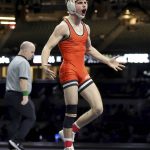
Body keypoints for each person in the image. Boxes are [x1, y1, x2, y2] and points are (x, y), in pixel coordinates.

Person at [41, 0, 125, 149]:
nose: (84, 6)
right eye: (80, 2)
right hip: (68, 71)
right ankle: (68, 146)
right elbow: (47, 47)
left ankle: (68, 131)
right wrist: (44, 63)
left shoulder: (86, 28)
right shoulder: (63, 26)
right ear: (71, 6)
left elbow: (90, 49)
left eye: (85, 2)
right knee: (72, 109)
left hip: (81, 71)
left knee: (98, 109)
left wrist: (107, 61)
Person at [4, 41, 36, 150]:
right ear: (24, 50)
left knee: (15, 120)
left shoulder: (14, 61)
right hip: (19, 95)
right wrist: (25, 96)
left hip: (9, 95)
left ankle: (12, 144)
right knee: (31, 117)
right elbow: (22, 80)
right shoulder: (23, 62)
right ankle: (16, 141)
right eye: (31, 52)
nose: (33, 54)